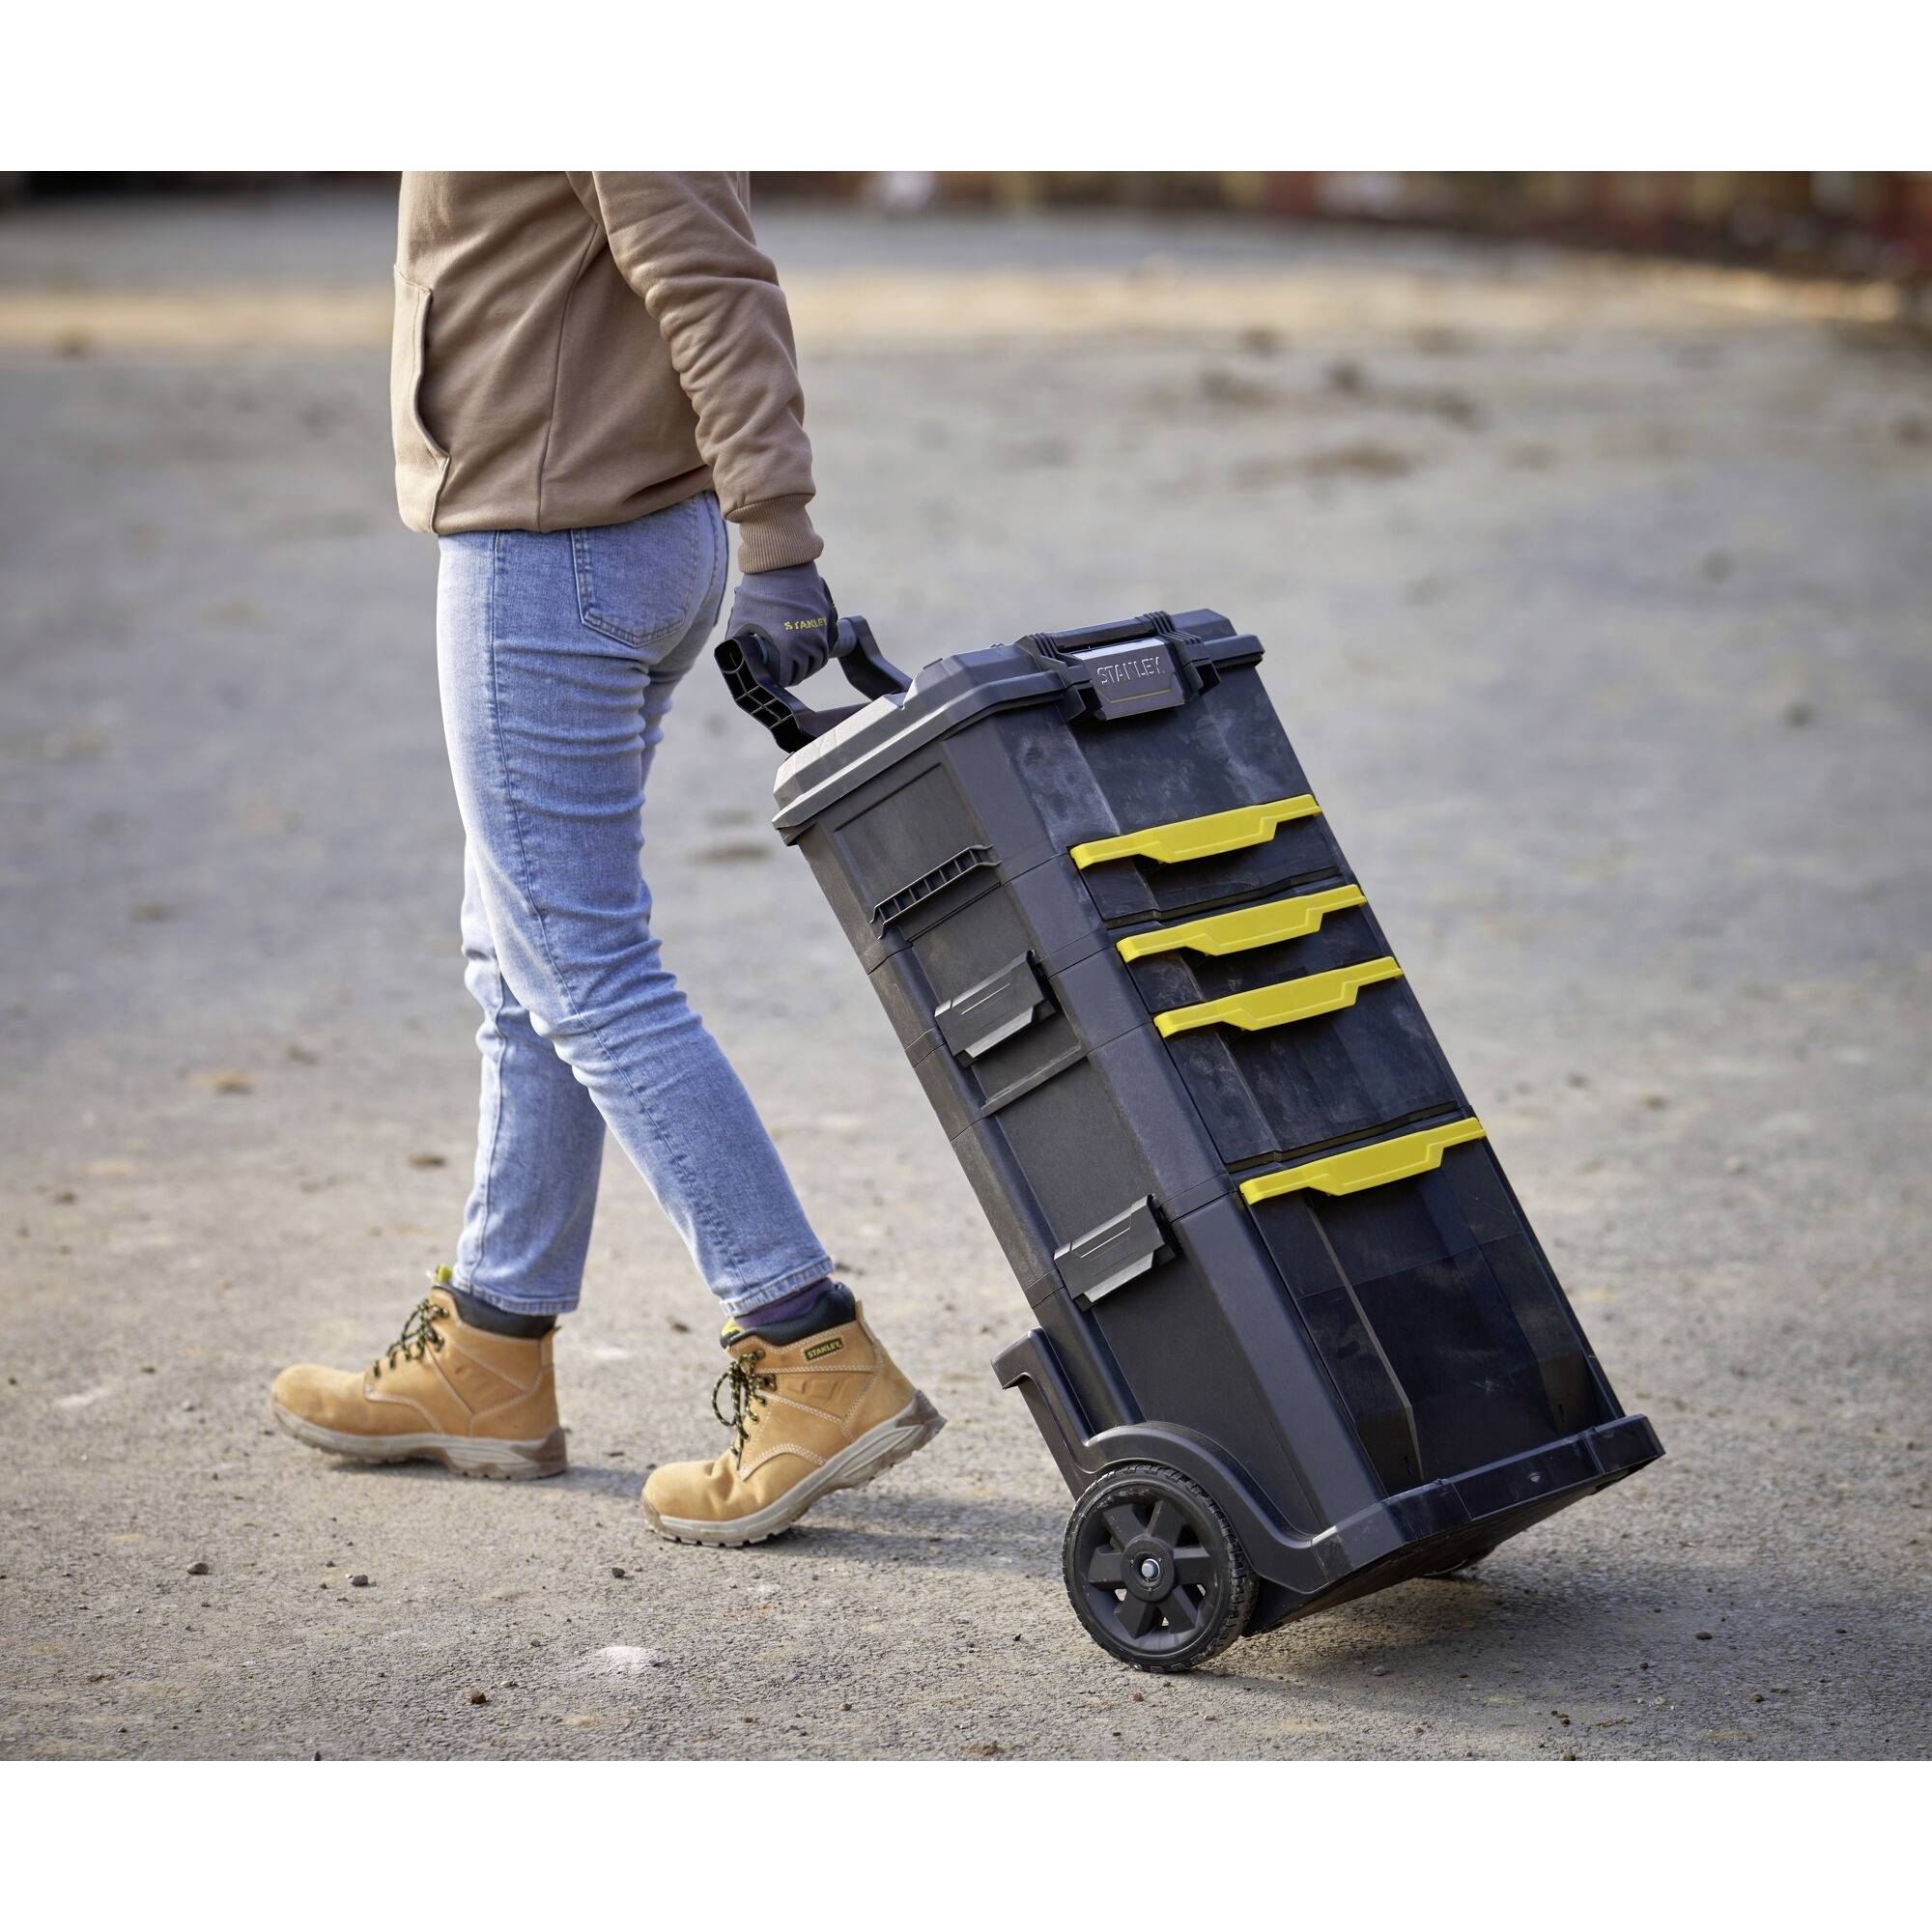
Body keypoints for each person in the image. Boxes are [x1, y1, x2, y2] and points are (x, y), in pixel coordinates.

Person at [270, 173, 942, 1547]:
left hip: (554, 547)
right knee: (516, 951)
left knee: (580, 963)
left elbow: (714, 279)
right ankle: (494, 1348)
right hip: (589, 527)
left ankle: (807, 1343)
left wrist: (782, 542)